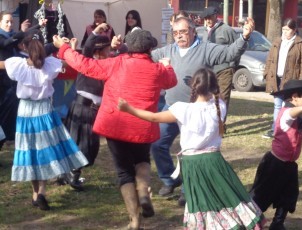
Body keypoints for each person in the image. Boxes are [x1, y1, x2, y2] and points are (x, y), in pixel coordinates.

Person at [53, 29, 177, 229]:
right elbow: (171, 81)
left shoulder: (115, 63)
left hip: (115, 125)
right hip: (142, 125)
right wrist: (167, 66)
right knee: (142, 161)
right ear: (149, 49)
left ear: (129, 47)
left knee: (124, 173)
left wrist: (64, 48)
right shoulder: (157, 69)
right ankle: (143, 190)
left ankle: (134, 221)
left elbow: (84, 65)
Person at [118, 68, 266, 229]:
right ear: (214, 87)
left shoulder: (183, 109)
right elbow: (218, 97)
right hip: (215, 161)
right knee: (224, 194)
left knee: (201, 198)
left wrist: (129, 109)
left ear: (193, 85)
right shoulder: (219, 105)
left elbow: (154, 117)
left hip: (194, 163)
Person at [147, 16, 254, 204]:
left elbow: (229, 54)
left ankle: (187, 191)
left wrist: (244, 37)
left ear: (193, 31)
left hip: (194, 110)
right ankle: (170, 179)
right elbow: (146, 57)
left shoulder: (206, 49)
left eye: (183, 32)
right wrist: (120, 48)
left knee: (190, 151)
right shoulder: (168, 50)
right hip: (172, 107)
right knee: (157, 144)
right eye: (175, 33)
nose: (179, 36)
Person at [0, 32, 88, 211]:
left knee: (30, 150)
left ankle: (35, 193)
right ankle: (41, 192)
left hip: (25, 111)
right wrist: (70, 48)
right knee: (45, 150)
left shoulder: (17, 64)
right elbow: (70, 63)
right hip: (44, 110)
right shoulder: (50, 64)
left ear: (24, 47)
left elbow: (2, 64)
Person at [250, 79, 302, 230]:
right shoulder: (285, 114)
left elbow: (301, 127)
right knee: (261, 196)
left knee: (288, 196)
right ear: (295, 97)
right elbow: (290, 114)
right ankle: (249, 222)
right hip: (274, 164)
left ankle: (278, 223)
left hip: (289, 165)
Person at [61, 23, 112, 191]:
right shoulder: (87, 61)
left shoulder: (107, 65)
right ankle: (71, 175)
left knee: (87, 144)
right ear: (99, 51)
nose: (109, 52)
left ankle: (67, 173)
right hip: (81, 108)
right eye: (107, 49)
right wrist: (95, 31)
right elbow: (88, 46)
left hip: (92, 110)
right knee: (80, 143)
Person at [0, 10, 47, 151]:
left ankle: (7, 139)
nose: (9, 24)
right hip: (1, 81)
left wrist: (38, 26)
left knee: (9, 113)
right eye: (6, 21)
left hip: (12, 81)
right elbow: (8, 42)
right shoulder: (3, 37)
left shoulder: (13, 36)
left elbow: (23, 37)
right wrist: (22, 30)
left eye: (11, 22)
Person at [262, 18, 302, 139]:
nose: (284, 32)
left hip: (291, 81)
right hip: (277, 79)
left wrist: (301, 81)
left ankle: (288, 130)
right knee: (277, 105)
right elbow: (270, 59)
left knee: (288, 106)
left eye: (287, 30)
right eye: (283, 29)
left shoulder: (301, 44)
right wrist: (266, 74)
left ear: (294, 30)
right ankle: (275, 130)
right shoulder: (277, 42)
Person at [197, 6, 238, 131]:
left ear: (216, 16)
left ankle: (221, 125)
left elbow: (237, 48)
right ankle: (210, 123)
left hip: (224, 68)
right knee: (208, 97)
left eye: (210, 17)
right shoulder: (204, 31)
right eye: (206, 18)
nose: (208, 20)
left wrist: (232, 65)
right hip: (209, 70)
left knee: (222, 98)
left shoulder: (226, 30)